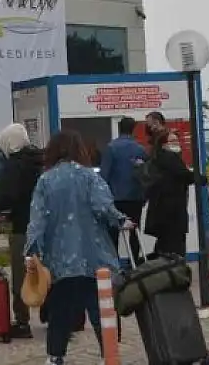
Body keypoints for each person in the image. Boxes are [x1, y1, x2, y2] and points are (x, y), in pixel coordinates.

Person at [25, 130, 135, 365]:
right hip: (94, 257)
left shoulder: (45, 180)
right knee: (101, 310)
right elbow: (102, 207)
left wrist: (32, 251)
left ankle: (56, 356)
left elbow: (38, 220)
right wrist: (121, 220)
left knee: (60, 312)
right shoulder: (90, 177)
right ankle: (109, 355)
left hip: (60, 259)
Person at [0, 122, 42, 338]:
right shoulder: (40, 160)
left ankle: (22, 321)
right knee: (44, 271)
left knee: (21, 274)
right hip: (44, 226)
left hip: (22, 226)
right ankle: (54, 314)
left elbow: (8, 194)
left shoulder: (15, 166)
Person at [99, 117, 148, 260]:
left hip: (115, 199)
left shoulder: (111, 148)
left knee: (113, 233)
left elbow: (104, 175)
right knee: (135, 231)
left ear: (120, 128)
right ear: (133, 129)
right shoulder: (140, 149)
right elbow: (146, 174)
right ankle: (135, 261)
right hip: (135, 198)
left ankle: (115, 263)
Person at [144, 131, 198, 257]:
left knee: (164, 244)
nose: (176, 143)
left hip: (163, 211)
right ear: (163, 145)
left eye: (177, 141)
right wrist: (204, 179)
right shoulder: (169, 158)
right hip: (171, 211)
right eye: (172, 141)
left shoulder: (160, 158)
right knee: (174, 246)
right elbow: (184, 175)